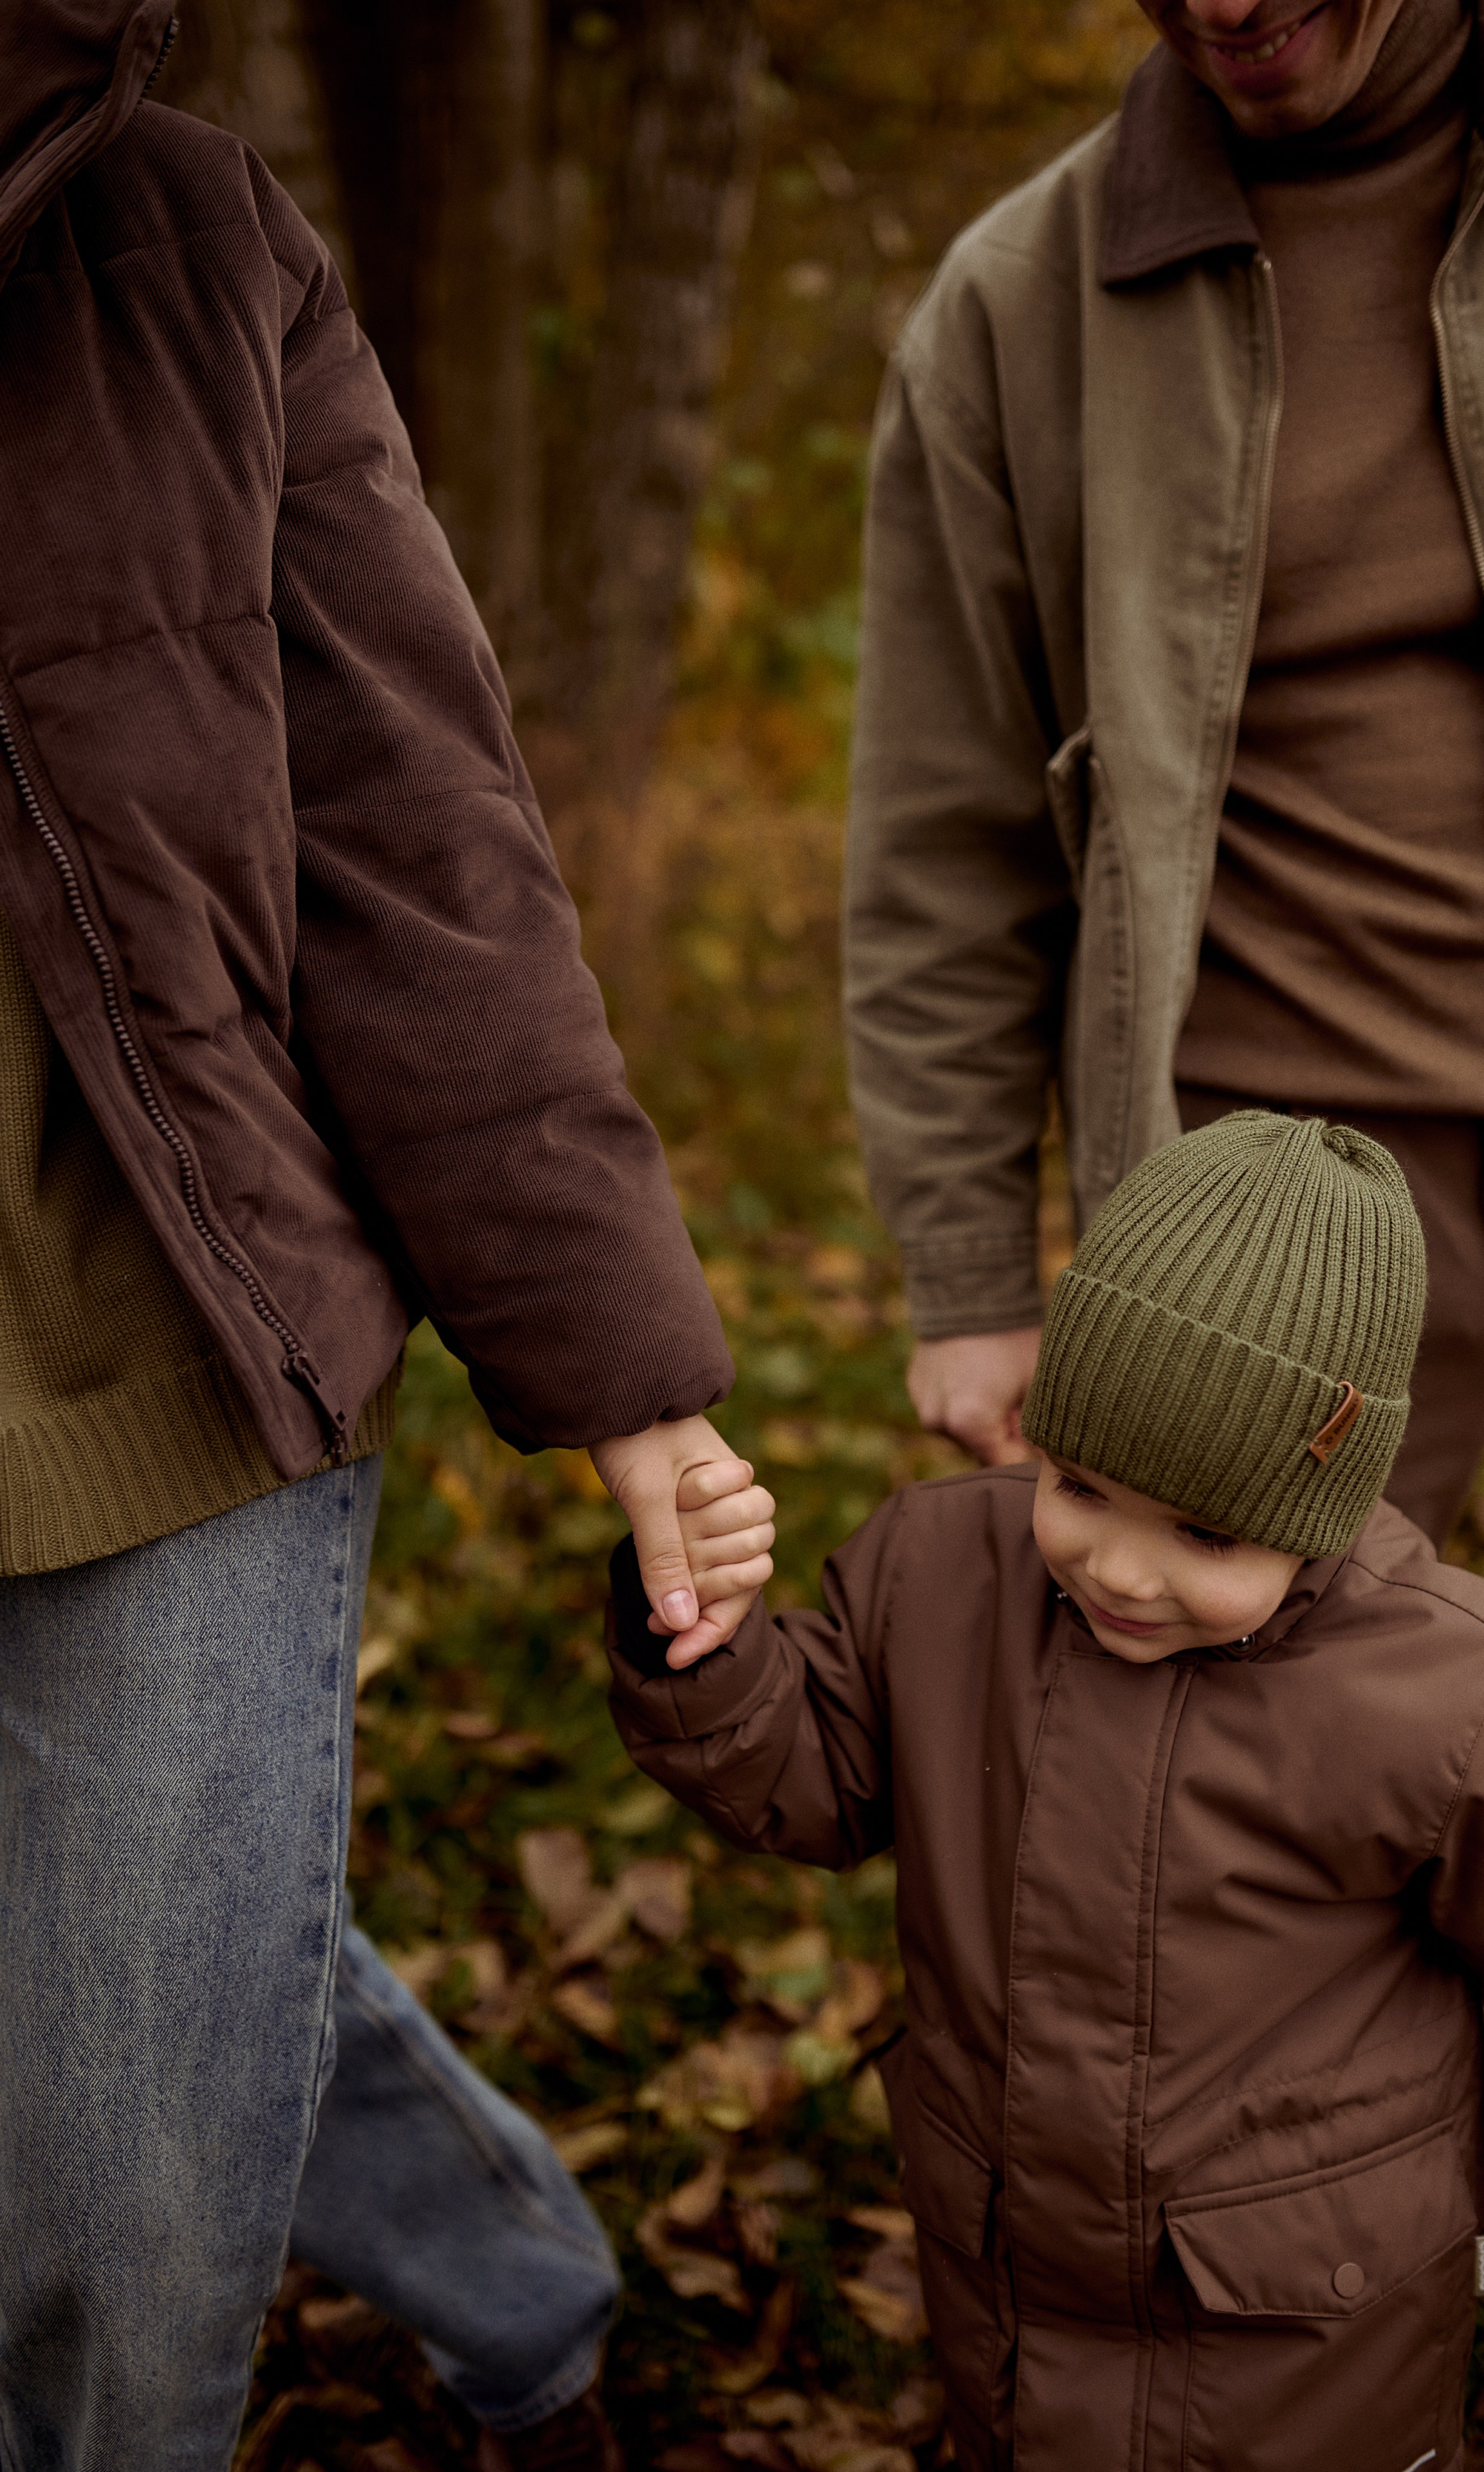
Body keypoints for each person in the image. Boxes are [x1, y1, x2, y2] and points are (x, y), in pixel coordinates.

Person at [0, 6, 758, 2469]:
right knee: (141, 1967)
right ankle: (522, 2278)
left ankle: (516, 2329)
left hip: (169, 1344)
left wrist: (630, 1382)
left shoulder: (187, 239)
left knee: (119, 2185)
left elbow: (423, 844)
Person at [605, 1113, 1484, 2472]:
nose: (1119, 1568)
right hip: (1012, 2296)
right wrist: (704, 1639)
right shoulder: (943, 1574)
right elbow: (812, 1771)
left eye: (1206, 1532)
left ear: (1320, 1514)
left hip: (1304, 2348)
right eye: (1080, 1485)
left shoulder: (1455, 1698)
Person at [844, 0, 1484, 1560]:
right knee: (1205, 1718)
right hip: (1260, 1243)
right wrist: (969, 1280)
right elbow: (944, 845)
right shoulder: (1016, 308)